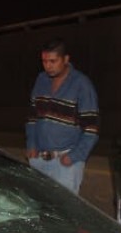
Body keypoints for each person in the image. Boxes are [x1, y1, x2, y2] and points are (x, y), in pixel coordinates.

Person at [26, 38, 100, 194]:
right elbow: (32, 117)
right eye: (44, 61)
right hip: (39, 160)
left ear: (66, 59)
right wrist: (31, 144)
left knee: (63, 208)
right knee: (40, 205)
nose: (48, 66)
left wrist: (75, 156)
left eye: (53, 61)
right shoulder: (41, 80)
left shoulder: (81, 84)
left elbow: (91, 129)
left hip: (66, 164)